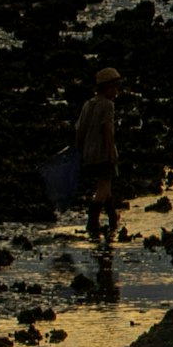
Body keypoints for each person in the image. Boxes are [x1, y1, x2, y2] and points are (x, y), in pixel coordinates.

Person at [73, 66, 126, 244]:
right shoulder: (108, 105)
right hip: (103, 152)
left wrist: (78, 149)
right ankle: (92, 222)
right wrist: (112, 152)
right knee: (103, 187)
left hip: (89, 152)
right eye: (115, 88)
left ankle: (112, 220)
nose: (117, 92)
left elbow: (79, 130)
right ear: (108, 89)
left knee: (106, 186)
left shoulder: (89, 104)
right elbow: (108, 131)